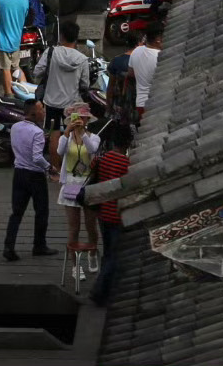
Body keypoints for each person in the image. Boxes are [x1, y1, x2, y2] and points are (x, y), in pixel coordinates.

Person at [87, 122, 133, 307]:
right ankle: (100, 291)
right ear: (128, 142)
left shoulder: (102, 159)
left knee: (107, 253)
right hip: (116, 214)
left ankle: (103, 289)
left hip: (102, 212)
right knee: (114, 256)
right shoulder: (126, 164)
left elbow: (92, 174)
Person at [2, 100, 53, 261]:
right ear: (33, 113)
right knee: (41, 211)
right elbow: (37, 157)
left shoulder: (15, 127)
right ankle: (39, 245)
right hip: (35, 176)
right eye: (41, 109)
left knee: (16, 212)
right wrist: (49, 167)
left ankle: (9, 246)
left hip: (19, 174)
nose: (44, 112)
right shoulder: (37, 133)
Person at [53, 105, 101, 266]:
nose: (80, 120)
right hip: (71, 183)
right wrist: (67, 132)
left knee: (90, 225)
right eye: (77, 118)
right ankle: (74, 264)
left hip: (88, 183)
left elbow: (92, 149)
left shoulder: (94, 137)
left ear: (88, 119)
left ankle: (93, 253)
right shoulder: (66, 137)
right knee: (74, 228)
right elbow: (60, 151)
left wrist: (82, 133)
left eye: (83, 118)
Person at [37, 18, 91, 132]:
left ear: (61, 36)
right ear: (76, 38)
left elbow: (37, 72)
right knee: (74, 133)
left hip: (51, 103)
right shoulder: (82, 59)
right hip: (73, 106)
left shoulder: (51, 52)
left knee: (52, 133)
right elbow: (85, 84)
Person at [127, 28, 162, 121]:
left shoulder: (136, 51)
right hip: (156, 103)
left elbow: (130, 73)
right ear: (158, 39)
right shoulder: (161, 56)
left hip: (140, 103)